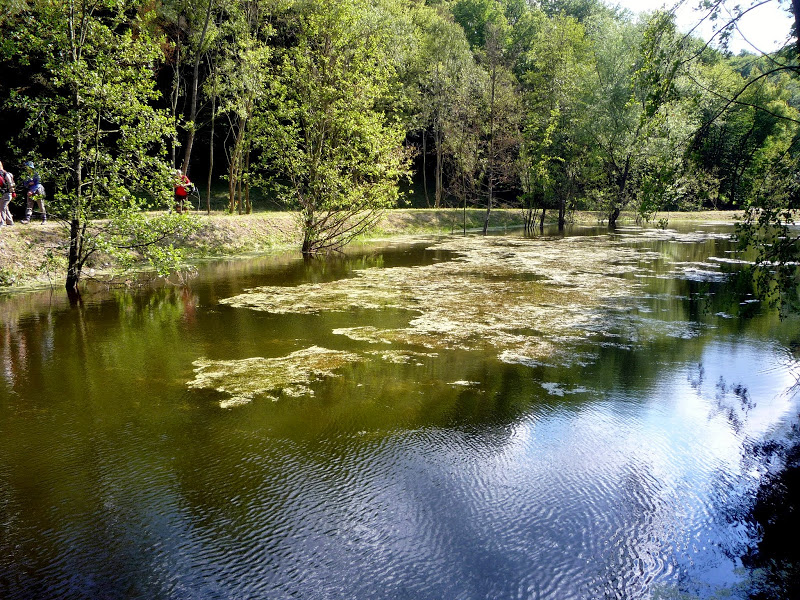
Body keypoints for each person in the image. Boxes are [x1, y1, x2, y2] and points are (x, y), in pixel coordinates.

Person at [0, 161, 16, 227]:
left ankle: (2, 222)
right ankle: (10, 222)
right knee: (5, 208)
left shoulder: (5, 174)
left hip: (7, 193)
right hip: (5, 194)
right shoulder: (3, 174)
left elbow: (10, 183)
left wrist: (12, 192)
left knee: (2, 208)